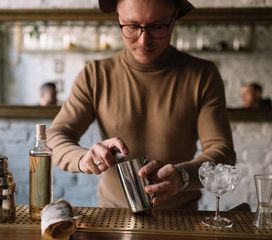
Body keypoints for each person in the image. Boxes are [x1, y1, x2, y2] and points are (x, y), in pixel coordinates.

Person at [47, 0, 236, 210]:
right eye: (131, 26)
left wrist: (182, 176)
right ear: (118, 19)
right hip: (112, 218)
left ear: (175, 18)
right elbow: (55, 137)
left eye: (157, 27)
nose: (144, 40)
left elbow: (223, 151)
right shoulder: (95, 75)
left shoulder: (203, 75)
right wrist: (83, 159)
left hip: (181, 219)